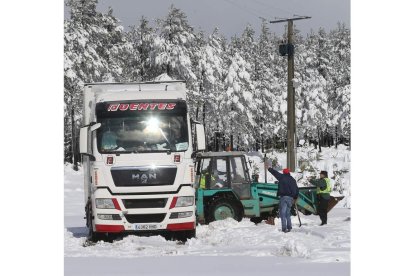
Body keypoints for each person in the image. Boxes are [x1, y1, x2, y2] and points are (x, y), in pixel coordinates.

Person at [266, 162, 299, 233]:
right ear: (289, 173)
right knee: (288, 213)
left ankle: (284, 228)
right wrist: (295, 198)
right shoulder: (293, 180)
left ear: (284, 173)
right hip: (291, 198)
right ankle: (289, 227)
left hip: (284, 198)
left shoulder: (282, 177)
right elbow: (297, 189)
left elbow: (275, 173)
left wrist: (269, 168)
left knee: (283, 213)